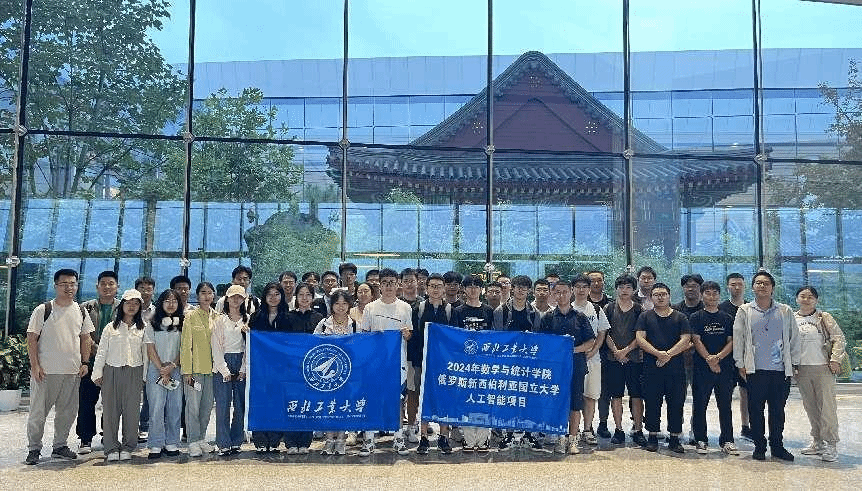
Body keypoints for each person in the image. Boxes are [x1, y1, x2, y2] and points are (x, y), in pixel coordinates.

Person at [24, 269, 94, 465]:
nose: (69, 287)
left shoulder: (81, 310)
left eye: (72, 284)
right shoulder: (43, 309)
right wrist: (35, 365)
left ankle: (60, 446)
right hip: (45, 372)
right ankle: (34, 448)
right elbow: (31, 338)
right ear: (56, 286)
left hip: (72, 371)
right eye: (64, 284)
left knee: (67, 412)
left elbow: (86, 338)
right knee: (38, 413)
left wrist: (85, 362)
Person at [732, 270, 798, 462]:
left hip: (780, 371)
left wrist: (794, 363)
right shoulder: (744, 310)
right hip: (755, 370)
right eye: (758, 283)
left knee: (777, 411)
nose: (762, 286)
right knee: (755, 410)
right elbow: (738, 338)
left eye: (766, 283)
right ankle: (759, 446)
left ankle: (777, 447)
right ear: (753, 287)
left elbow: (794, 338)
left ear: (772, 288)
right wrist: (740, 363)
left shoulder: (785, 310)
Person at [536, 280, 596, 454]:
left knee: (575, 403)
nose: (561, 295)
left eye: (564, 292)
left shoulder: (580, 317)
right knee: (557, 402)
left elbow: (590, 342)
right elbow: (542, 343)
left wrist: (572, 350)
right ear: (553, 295)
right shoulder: (548, 318)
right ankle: (560, 439)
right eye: (557, 292)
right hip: (555, 369)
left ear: (571, 293)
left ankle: (573, 440)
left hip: (576, 366)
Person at [358, 268, 413, 456]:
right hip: (375, 363)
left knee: (398, 402)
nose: (389, 286)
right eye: (385, 282)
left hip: (398, 362)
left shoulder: (405, 307)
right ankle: (369, 440)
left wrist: (406, 334)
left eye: (392, 282)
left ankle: (398, 439)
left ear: (398, 284)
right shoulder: (370, 308)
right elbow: (364, 335)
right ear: (379, 285)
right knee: (373, 400)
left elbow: (409, 334)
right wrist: (375, 337)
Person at [92, 289, 149, 462]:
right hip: (112, 371)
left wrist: (144, 377)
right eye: (128, 302)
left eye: (136, 303)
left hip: (135, 371)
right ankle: (110, 447)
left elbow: (146, 355)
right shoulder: (111, 327)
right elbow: (101, 352)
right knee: (110, 411)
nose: (132, 306)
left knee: (132, 412)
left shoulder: (144, 328)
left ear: (140, 307)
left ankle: (128, 446)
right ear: (122, 304)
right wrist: (97, 373)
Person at [636, 282, 691, 453]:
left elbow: (686, 339)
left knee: (676, 403)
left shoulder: (680, 317)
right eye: (656, 294)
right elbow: (640, 338)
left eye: (663, 294)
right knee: (652, 402)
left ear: (669, 296)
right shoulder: (645, 316)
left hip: (676, 369)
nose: (660, 297)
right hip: (652, 368)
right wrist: (658, 354)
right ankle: (652, 437)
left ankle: (674, 438)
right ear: (651, 297)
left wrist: (668, 355)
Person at [794, 286, 845, 462]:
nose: (806, 299)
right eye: (803, 296)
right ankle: (817, 441)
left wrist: (835, 359)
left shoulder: (824, 317)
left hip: (823, 367)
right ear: (797, 299)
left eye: (810, 297)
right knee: (811, 407)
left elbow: (839, 338)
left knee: (827, 408)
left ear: (816, 300)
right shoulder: (792, 318)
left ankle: (831, 444)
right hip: (802, 369)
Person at [492, 274, 541, 450]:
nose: (521, 290)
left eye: (524, 287)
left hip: (528, 364)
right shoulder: (501, 311)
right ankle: (508, 433)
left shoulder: (535, 313)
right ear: (512, 289)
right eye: (518, 287)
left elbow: (538, 339)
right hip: (507, 363)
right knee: (508, 399)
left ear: (529, 290)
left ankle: (528, 433)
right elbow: (497, 338)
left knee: (528, 398)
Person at [690, 281, 738, 455]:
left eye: (715, 293)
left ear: (719, 295)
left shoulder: (727, 318)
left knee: (725, 405)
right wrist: (709, 360)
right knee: (700, 404)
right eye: (708, 293)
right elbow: (696, 340)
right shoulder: (696, 317)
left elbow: (731, 341)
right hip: (702, 368)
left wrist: (718, 358)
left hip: (724, 368)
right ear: (702, 295)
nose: (711, 296)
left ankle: (727, 440)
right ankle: (701, 439)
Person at [410, 273, 454, 454]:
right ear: (426, 288)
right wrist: (416, 361)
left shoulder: (450, 310)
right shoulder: (419, 309)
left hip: (444, 363)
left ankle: (443, 437)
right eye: (432, 286)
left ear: (444, 289)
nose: (436, 289)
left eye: (439, 286)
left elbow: (454, 337)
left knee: (444, 398)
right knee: (423, 398)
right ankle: (423, 438)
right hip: (423, 362)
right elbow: (413, 337)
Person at [76, 270, 120, 455]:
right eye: (103, 284)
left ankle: (108, 436)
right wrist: (94, 349)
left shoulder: (123, 307)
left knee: (111, 404)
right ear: (97, 286)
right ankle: (85, 438)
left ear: (117, 287)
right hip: (90, 363)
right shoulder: (85, 307)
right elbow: (79, 333)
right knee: (86, 401)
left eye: (111, 283)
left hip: (113, 363)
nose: (107, 287)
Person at [452, 275, 495, 453]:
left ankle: (483, 438)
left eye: (476, 286)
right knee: (467, 399)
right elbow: (454, 337)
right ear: (464, 289)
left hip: (484, 363)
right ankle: (469, 439)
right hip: (465, 363)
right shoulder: (458, 311)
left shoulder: (489, 311)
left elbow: (494, 336)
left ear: (481, 290)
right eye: (469, 286)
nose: (473, 289)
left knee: (484, 399)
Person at [602, 275, 646, 446]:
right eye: (621, 287)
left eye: (628, 287)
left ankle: (638, 430)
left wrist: (626, 351)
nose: (624, 290)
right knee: (616, 395)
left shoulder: (639, 309)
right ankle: (619, 429)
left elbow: (641, 335)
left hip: (634, 359)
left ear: (634, 290)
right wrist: (616, 352)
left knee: (637, 395)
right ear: (616, 289)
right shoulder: (608, 308)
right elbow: (605, 333)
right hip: (613, 359)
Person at [314, 290, 359, 456]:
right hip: (327, 373)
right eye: (337, 303)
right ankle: (329, 440)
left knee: (343, 404)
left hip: (347, 372)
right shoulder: (323, 324)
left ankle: (341, 439)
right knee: (328, 405)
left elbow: (361, 346)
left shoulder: (355, 325)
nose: (341, 307)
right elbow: (312, 343)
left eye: (344, 303)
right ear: (331, 305)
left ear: (349, 305)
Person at [249, 282, 291, 453]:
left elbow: (291, 343)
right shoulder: (256, 317)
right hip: (260, 368)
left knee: (277, 403)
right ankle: (260, 440)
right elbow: (250, 342)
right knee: (260, 402)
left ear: (282, 296)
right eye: (269, 294)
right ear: (264, 297)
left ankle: (274, 440)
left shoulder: (288, 317)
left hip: (280, 369)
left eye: (277, 294)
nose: (273, 298)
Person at [283, 282, 324, 454]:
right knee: (292, 403)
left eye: (308, 295)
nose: (305, 298)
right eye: (301, 294)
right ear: (296, 297)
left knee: (308, 404)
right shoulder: (288, 317)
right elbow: (281, 341)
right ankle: (291, 442)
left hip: (312, 368)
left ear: (313, 297)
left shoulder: (319, 318)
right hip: (292, 366)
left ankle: (305, 442)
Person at [212, 284, 251, 456]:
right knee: (222, 405)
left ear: (244, 299)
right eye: (233, 296)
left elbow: (248, 346)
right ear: (226, 298)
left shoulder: (247, 319)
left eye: (239, 296)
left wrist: (243, 368)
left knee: (240, 405)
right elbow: (216, 346)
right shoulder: (219, 320)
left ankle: (236, 441)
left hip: (241, 361)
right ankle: (223, 443)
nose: (236, 299)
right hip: (222, 363)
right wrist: (224, 370)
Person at [145, 288, 184, 459]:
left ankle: (172, 442)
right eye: (167, 301)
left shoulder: (183, 323)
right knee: (156, 407)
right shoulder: (152, 323)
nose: (171, 304)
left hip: (176, 369)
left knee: (175, 407)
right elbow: (150, 347)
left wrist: (172, 366)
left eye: (174, 301)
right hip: (156, 370)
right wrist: (162, 368)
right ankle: (156, 443)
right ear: (161, 303)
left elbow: (185, 348)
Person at [571, 274, 610, 446]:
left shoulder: (596, 309)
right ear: (572, 289)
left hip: (593, 359)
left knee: (590, 395)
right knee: (573, 395)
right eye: (578, 287)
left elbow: (602, 333)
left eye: (584, 287)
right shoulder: (567, 308)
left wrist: (593, 351)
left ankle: (587, 430)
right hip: (573, 359)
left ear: (589, 289)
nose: (581, 290)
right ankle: (572, 431)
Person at [181, 282, 218, 458]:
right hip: (194, 371)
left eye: (210, 293)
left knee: (207, 406)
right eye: (203, 292)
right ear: (197, 296)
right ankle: (192, 441)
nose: (206, 296)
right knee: (193, 407)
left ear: (214, 296)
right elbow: (185, 345)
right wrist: (187, 371)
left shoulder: (218, 317)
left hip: (212, 371)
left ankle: (202, 438)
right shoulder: (190, 316)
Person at [719, 272, 751, 441]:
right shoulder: (721, 308)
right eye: (733, 284)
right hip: (726, 358)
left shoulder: (751, 307)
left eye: (740, 284)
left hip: (747, 358)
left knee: (747, 393)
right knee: (725, 395)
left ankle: (746, 427)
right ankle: (726, 432)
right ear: (727, 287)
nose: (737, 287)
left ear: (744, 286)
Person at [134, 276, 156, 441]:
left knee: (149, 395)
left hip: (151, 358)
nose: (145, 292)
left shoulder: (158, 311)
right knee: (132, 396)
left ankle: (145, 426)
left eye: (149, 289)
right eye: (142, 289)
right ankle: (131, 427)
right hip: (133, 357)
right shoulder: (128, 309)